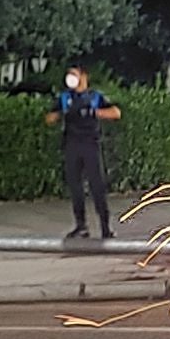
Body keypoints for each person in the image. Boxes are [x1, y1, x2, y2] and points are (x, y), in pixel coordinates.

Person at [45, 64, 121, 239]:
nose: (71, 77)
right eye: (69, 74)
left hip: (90, 145)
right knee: (75, 187)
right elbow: (49, 117)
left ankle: (105, 227)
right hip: (72, 145)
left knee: (97, 186)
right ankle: (81, 226)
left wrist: (94, 113)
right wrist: (61, 114)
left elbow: (116, 112)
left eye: (74, 74)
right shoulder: (65, 97)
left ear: (84, 76)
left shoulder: (95, 96)